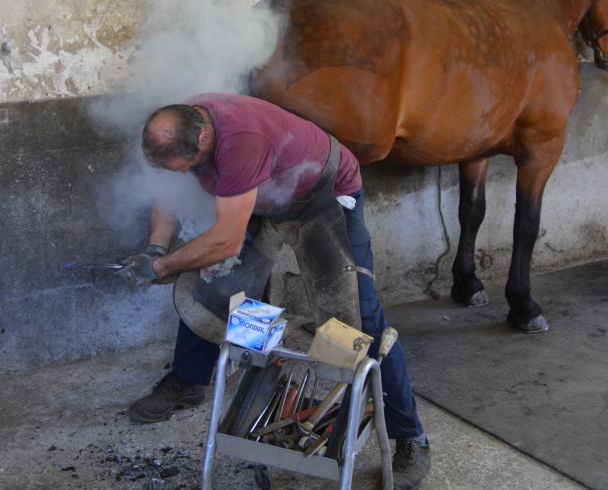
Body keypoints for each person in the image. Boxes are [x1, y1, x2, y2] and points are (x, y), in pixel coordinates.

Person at [121, 93, 431, 489]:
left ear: (202, 140)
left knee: (357, 322)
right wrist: (155, 249)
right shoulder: (179, 124)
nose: (185, 176)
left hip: (322, 196)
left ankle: (411, 437)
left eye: (190, 168)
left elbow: (227, 241)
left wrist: (163, 268)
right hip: (262, 194)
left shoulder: (240, 141)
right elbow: (169, 194)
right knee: (218, 292)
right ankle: (189, 381)